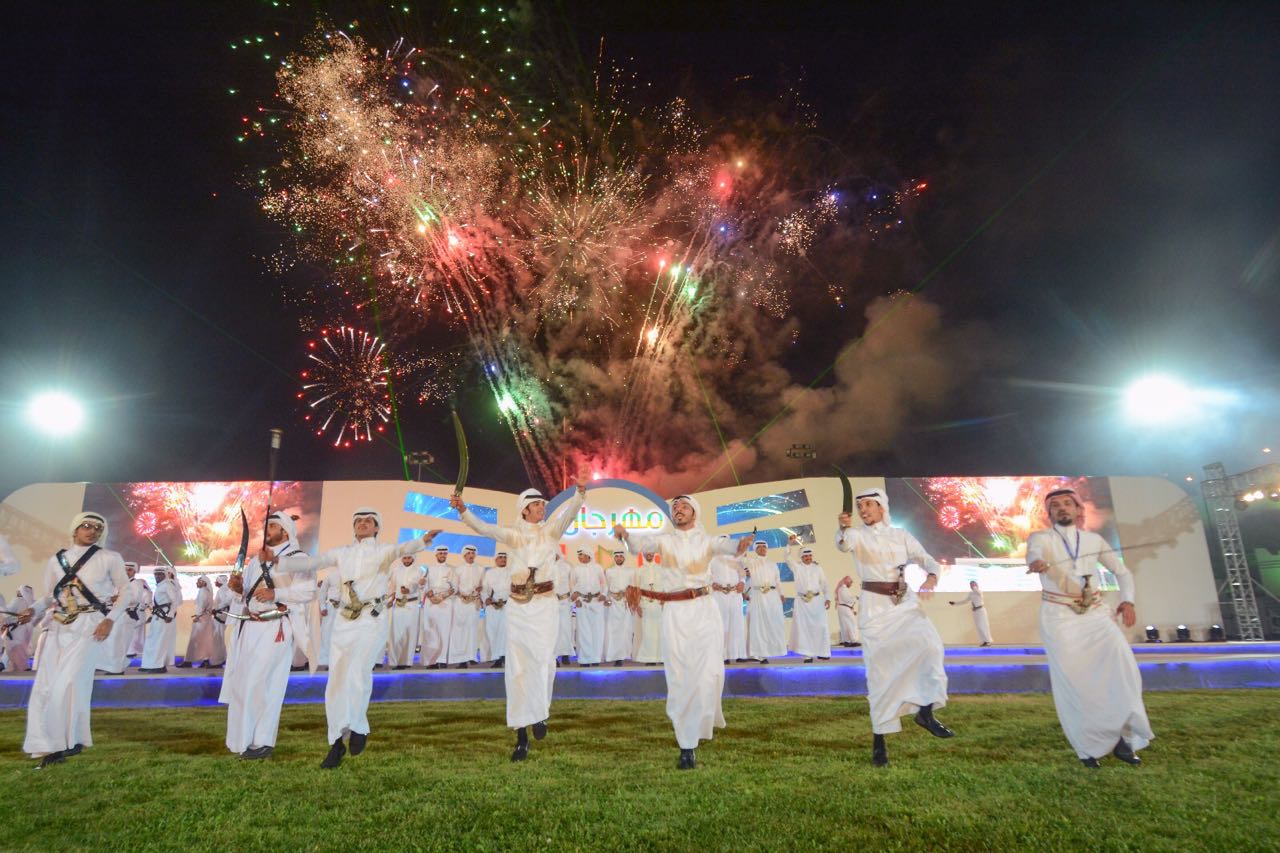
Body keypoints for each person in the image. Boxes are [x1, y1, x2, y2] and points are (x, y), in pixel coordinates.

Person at [274, 507, 439, 769]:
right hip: (343, 621)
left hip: (371, 620)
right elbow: (312, 562)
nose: (362, 524)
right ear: (353, 526)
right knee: (336, 680)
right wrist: (278, 561)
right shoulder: (342, 553)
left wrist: (422, 542)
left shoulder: (383, 551)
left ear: (376, 527)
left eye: (368, 521)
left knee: (358, 672)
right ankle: (336, 742)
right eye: (358, 521)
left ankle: (359, 726)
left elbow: (401, 550)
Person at [452, 475, 587, 761]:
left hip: (545, 606)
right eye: (537, 504)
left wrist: (580, 492)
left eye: (543, 504)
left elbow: (571, 512)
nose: (543, 508)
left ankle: (540, 714)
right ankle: (521, 736)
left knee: (543, 662)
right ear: (524, 508)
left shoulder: (551, 532)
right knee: (517, 668)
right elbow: (484, 528)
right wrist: (463, 510)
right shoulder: (512, 535)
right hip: (518, 607)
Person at [613, 495, 751, 769]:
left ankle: (701, 722)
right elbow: (639, 545)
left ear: (694, 513)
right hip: (676, 612)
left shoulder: (707, 541)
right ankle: (686, 744)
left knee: (708, 673)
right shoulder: (665, 541)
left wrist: (741, 544)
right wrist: (625, 535)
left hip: (704, 609)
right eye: (674, 507)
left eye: (683, 506)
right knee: (679, 675)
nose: (678, 509)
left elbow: (728, 546)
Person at [1027, 487, 1153, 768]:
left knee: (1122, 672)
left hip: (1096, 614)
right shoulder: (1040, 538)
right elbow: (1033, 553)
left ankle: (1123, 741)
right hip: (1059, 617)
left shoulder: (1093, 539)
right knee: (1076, 683)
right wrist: (1036, 563)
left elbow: (1122, 572)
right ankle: (1088, 748)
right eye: (1056, 505)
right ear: (1049, 514)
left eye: (1067, 504)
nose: (1062, 508)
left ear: (1078, 510)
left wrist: (1127, 601)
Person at [837, 488, 953, 767]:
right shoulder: (857, 535)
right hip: (874, 609)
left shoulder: (901, 535)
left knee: (930, 646)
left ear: (881, 507)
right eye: (860, 505)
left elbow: (927, 559)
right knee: (880, 676)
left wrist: (931, 577)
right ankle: (879, 742)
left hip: (905, 602)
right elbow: (844, 543)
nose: (864, 510)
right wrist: (842, 528)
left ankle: (925, 712)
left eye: (868, 504)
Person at [17, 511, 129, 768]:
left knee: (67, 684)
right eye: (87, 526)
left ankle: (54, 748)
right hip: (59, 628)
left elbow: (127, 591)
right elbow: (48, 596)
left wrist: (109, 618)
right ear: (75, 529)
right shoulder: (57, 561)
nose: (92, 531)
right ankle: (68, 739)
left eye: (98, 528)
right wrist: (32, 610)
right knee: (47, 686)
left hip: (90, 627)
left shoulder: (110, 558)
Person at [219, 510, 318, 760]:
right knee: (243, 683)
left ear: (285, 531)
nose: (266, 531)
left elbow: (307, 592)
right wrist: (239, 589)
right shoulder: (255, 560)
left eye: (271, 526)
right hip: (250, 627)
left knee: (264, 685)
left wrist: (277, 595)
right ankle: (241, 741)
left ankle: (262, 742)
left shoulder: (299, 558)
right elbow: (249, 595)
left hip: (275, 627)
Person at [785, 536, 831, 662]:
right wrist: (789, 544)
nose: (808, 558)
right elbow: (787, 558)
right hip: (802, 602)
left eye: (810, 556)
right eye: (805, 556)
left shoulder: (818, 568)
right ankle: (807, 654)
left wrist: (827, 598)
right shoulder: (797, 567)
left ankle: (823, 652)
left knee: (821, 626)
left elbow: (824, 583)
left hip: (817, 601)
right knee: (804, 629)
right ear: (801, 557)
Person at [743, 540, 785, 662]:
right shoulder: (751, 562)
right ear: (755, 550)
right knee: (758, 625)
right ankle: (758, 654)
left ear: (767, 549)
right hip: (758, 596)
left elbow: (777, 581)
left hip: (772, 597)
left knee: (771, 624)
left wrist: (781, 593)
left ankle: (771, 651)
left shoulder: (773, 564)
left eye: (764, 547)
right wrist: (746, 545)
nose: (762, 549)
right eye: (759, 547)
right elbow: (742, 560)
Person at [100, 562, 142, 674]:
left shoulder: (136, 583)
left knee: (120, 643)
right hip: (117, 616)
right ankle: (113, 666)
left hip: (126, 615)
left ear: (134, 572)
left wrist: (118, 598)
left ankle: (117, 669)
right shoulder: (120, 584)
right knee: (113, 642)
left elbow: (135, 599)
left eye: (129, 570)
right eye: (125, 570)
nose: (126, 572)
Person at [570, 547, 607, 666]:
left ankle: (595, 658)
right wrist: (576, 599)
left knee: (597, 631)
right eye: (579, 555)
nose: (579, 557)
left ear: (588, 555)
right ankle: (585, 659)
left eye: (581, 554)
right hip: (582, 603)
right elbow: (572, 587)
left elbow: (604, 584)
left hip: (596, 602)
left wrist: (604, 594)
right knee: (584, 631)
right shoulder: (575, 570)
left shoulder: (598, 568)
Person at [448, 544, 484, 669]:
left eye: (473, 554)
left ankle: (471, 656)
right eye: (468, 554)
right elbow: (454, 587)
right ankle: (461, 658)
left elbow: (483, 586)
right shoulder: (458, 569)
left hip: (473, 603)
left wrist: (481, 590)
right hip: (460, 603)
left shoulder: (480, 569)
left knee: (472, 629)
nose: (471, 556)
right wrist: (460, 594)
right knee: (460, 629)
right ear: (464, 555)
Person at [139, 567, 181, 673]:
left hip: (163, 617)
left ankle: (158, 665)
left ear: (164, 575)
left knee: (159, 641)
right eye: (156, 574)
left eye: (160, 574)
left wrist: (170, 615)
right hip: (157, 616)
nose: (157, 576)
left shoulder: (167, 585)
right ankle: (148, 664)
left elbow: (174, 601)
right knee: (151, 640)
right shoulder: (160, 586)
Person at [421, 545, 455, 669]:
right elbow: (423, 584)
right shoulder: (429, 569)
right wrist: (428, 592)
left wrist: (443, 596)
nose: (442, 556)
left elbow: (454, 587)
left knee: (444, 631)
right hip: (431, 603)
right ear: (436, 555)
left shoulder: (451, 570)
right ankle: (431, 660)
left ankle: (441, 659)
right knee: (430, 631)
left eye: (444, 554)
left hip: (445, 603)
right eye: (440, 554)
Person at [386, 554, 423, 669]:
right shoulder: (396, 570)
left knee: (409, 634)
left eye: (409, 558)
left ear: (413, 558)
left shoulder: (419, 571)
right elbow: (392, 587)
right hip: (398, 605)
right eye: (404, 558)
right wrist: (390, 600)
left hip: (411, 605)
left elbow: (419, 585)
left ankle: (406, 662)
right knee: (396, 634)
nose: (406, 560)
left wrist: (409, 590)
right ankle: (394, 661)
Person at [709, 553, 746, 664]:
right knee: (721, 624)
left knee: (737, 623)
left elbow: (742, 573)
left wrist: (742, 583)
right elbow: (707, 574)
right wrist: (711, 583)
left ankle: (738, 654)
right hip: (719, 594)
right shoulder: (712, 559)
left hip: (735, 594)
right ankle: (723, 655)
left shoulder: (736, 558)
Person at [603, 550, 635, 666]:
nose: (619, 558)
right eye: (617, 557)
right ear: (614, 558)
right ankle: (615, 656)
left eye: (621, 557)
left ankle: (624, 655)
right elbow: (606, 587)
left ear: (624, 558)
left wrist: (631, 601)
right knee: (613, 630)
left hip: (625, 603)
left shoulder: (630, 571)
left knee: (625, 630)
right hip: (613, 604)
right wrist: (606, 599)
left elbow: (633, 587)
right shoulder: (609, 571)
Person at [632, 551, 664, 665]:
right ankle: (649, 658)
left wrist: (665, 601)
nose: (649, 555)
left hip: (659, 604)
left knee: (661, 631)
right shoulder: (639, 570)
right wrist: (638, 605)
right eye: (646, 553)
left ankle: (661, 657)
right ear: (644, 555)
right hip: (645, 604)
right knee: (647, 632)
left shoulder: (661, 569)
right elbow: (636, 589)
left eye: (650, 552)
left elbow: (666, 586)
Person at [482, 551, 511, 668]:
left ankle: (504, 657)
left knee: (505, 632)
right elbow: (484, 589)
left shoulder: (512, 572)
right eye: (500, 558)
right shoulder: (489, 573)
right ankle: (497, 657)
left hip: (507, 606)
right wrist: (486, 599)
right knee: (493, 631)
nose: (503, 559)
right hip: (493, 606)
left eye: (505, 557)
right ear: (496, 560)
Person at [181, 576, 215, 668]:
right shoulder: (207, 592)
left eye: (198, 581)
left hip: (201, 619)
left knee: (194, 640)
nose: (196, 583)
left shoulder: (203, 591)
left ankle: (188, 661)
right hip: (206, 618)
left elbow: (201, 605)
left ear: (204, 583)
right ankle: (206, 660)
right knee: (205, 640)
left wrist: (198, 616)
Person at [949, 580, 993, 647]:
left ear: (976, 585)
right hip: (975, 612)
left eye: (973, 584)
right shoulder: (971, 593)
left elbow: (978, 593)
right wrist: (955, 603)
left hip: (981, 610)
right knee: (978, 627)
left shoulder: (979, 591)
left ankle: (988, 641)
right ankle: (984, 641)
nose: (972, 586)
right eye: (971, 585)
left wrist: (975, 587)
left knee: (983, 625)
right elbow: (965, 601)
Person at [553, 553, 575, 666]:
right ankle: (554, 657)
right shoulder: (545, 566)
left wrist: (574, 599)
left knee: (566, 628)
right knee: (553, 630)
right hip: (551, 603)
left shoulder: (567, 566)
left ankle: (565, 655)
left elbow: (573, 584)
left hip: (565, 601)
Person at [317, 571, 341, 669]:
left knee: (345, 635)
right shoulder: (331, 574)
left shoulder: (352, 573)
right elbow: (322, 591)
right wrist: (323, 607)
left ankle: (341, 661)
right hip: (331, 607)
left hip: (347, 607)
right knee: (327, 633)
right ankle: (328, 661)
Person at [210, 574, 233, 666]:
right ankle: (222, 658)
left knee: (217, 638)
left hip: (220, 616)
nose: (215, 582)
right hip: (221, 615)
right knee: (219, 638)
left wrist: (216, 610)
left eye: (216, 580)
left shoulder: (223, 589)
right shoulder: (225, 588)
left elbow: (226, 602)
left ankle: (217, 661)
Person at [834, 576, 860, 647]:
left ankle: (846, 640)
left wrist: (852, 609)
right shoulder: (843, 589)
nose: (851, 585)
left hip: (843, 608)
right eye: (850, 583)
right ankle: (853, 640)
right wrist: (856, 597)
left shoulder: (841, 589)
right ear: (847, 582)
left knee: (845, 625)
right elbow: (848, 599)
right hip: (845, 609)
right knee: (851, 624)